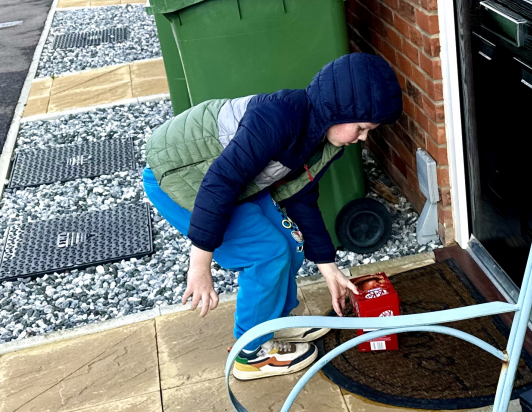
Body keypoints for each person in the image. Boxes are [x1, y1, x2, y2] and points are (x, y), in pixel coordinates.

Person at [142, 53, 403, 380]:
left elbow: (302, 198)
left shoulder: (322, 138)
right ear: (338, 110)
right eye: (362, 127)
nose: (363, 137)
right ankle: (250, 353)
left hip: (234, 181)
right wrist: (200, 266)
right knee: (266, 253)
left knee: (289, 243)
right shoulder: (280, 118)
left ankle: (273, 325)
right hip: (183, 174)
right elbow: (220, 182)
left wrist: (329, 268)